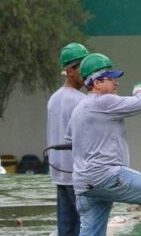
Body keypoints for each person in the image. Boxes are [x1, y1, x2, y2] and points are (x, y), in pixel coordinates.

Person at [67, 53, 141, 236]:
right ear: (97, 83)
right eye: (111, 78)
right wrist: (140, 89)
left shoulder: (80, 107)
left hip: (84, 183)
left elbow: (69, 138)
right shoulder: (104, 101)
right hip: (105, 175)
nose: (116, 82)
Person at [47, 42, 88, 236]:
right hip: (77, 174)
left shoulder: (54, 98)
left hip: (59, 173)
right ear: (70, 70)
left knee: (66, 228)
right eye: (83, 67)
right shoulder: (80, 101)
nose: (87, 72)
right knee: (85, 226)